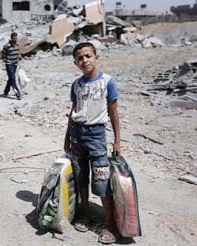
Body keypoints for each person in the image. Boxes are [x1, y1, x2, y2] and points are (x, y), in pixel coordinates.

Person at [63, 42, 121, 244]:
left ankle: (109, 225)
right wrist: (67, 137)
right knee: (81, 179)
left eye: (88, 56)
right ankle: (85, 215)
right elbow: (73, 111)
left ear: (96, 56)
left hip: (97, 137)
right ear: (75, 63)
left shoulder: (107, 82)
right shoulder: (76, 85)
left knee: (102, 181)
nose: (84, 60)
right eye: (80, 58)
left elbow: (113, 111)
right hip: (77, 137)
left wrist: (117, 140)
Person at [0, 32, 21, 100]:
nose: (15, 39)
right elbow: (1, 54)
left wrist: (18, 63)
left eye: (16, 38)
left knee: (10, 78)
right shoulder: (7, 46)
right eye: (14, 38)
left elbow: (17, 55)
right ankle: (17, 93)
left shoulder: (17, 45)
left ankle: (6, 91)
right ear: (11, 38)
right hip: (9, 64)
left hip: (15, 64)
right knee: (13, 79)